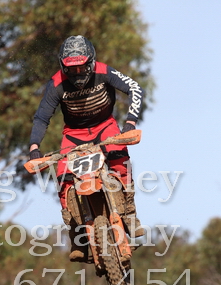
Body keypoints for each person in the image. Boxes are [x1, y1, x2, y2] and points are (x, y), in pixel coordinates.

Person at [28, 35, 145, 262]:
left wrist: (130, 122)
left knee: (121, 163)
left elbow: (135, 87)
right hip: (74, 135)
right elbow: (41, 117)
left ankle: (130, 214)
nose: (77, 74)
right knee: (63, 179)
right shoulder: (56, 84)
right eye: (72, 69)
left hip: (105, 127)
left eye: (82, 68)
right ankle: (77, 235)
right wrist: (34, 148)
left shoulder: (104, 71)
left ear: (91, 62)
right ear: (63, 66)